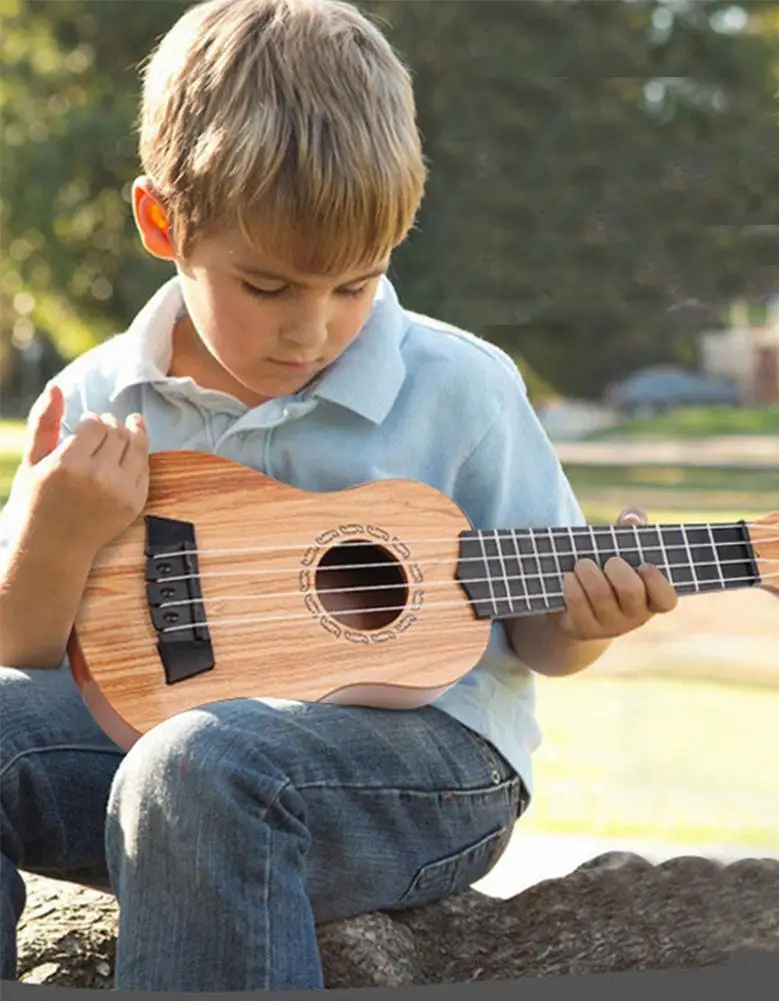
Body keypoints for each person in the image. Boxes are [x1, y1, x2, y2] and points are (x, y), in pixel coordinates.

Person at [0, 0, 679, 989]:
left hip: (424, 767)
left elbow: (540, 635)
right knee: (165, 758)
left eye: (354, 284)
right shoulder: (96, 399)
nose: (311, 330)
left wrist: (591, 622)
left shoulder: (461, 386)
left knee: (200, 765)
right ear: (161, 221)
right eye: (267, 287)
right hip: (151, 757)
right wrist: (60, 531)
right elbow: (20, 652)